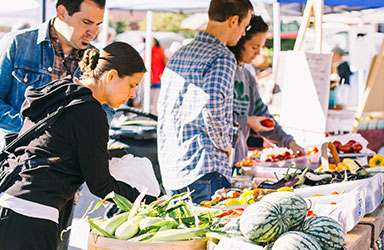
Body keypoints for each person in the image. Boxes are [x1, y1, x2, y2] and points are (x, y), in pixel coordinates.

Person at [0, 41, 155, 250]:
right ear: (111, 76)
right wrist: (150, 201)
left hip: (9, 198)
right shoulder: (91, 113)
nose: (132, 95)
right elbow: (102, 186)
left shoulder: (61, 91)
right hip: (33, 214)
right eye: (132, 85)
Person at [157, 0, 253, 204]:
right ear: (233, 20)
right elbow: (213, 106)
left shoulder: (180, 54)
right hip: (204, 169)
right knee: (212, 235)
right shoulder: (222, 56)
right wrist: (225, 144)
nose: (244, 33)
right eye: (244, 26)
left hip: (172, 169)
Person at [0, 0, 106, 133]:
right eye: (86, 22)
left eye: (98, 25)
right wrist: (35, 128)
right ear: (62, 13)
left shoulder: (96, 58)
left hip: (71, 153)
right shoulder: (17, 44)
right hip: (16, 151)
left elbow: (106, 107)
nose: (93, 32)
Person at [228, 15, 304, 165]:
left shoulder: (247, 77)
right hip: (219, 163)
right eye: (254, 47)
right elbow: (214, 118)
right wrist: (247, 121)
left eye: (261, 47)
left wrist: (289, 142)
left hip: (238, 161)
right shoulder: (224, 72)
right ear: (239, 40)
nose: (258, 53)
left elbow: (263, 116)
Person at [149, 38, 167, 115]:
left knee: (156, 97)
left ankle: (154, 112)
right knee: (149, 97)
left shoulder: (159, 50)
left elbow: (165, 61)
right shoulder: (148, 51)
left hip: (157, 77)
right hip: (150, 77)